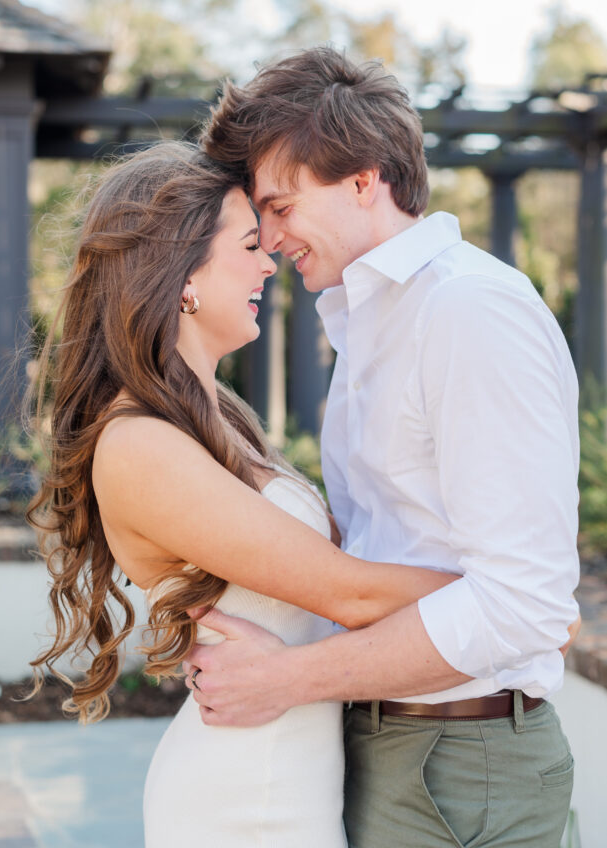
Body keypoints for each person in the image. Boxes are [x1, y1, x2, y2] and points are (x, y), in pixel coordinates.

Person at [184, 47, 581, 848]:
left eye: (282, 206)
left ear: (364, 179)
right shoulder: (370, 324)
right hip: (393, 743)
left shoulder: (467, 312)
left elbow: (524, 602)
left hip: (462, 766)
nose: (266, 237)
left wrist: (286, 680)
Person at [26, 141, 463, 847]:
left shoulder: (211, 418)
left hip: (289, 769)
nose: (269, 262)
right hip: (245, 798)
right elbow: (345, 593)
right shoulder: (139, 442)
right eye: (249, 244)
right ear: (182, 272)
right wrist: (513, 598)